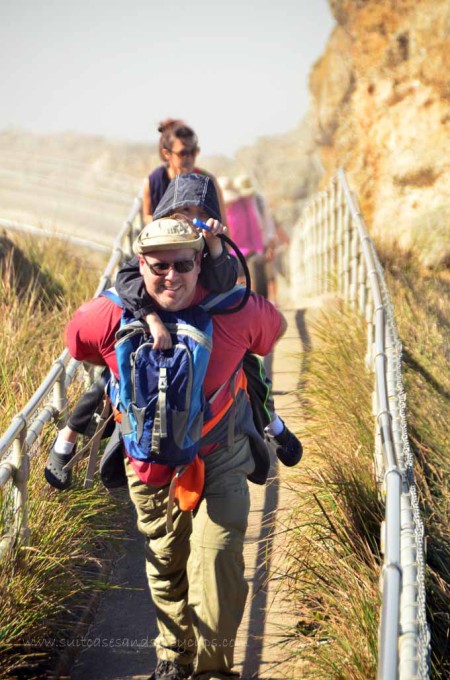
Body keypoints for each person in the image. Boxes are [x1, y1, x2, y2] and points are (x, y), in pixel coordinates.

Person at [64, 216, 289, 680]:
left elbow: (272, 328)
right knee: (165, 558)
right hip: (150, 460)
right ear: (139, 264)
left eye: (183, 264)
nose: (171, 276)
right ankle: (174, 654)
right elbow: (77, 341)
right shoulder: (109, 313)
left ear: (200, 261)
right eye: (158, 266)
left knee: (220, 552)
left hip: (221, 452)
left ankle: (212, 668)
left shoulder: (235, 309)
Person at [44, 174, 237, 490]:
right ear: (168, 213)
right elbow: (127, 280)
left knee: (247, 367)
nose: (192, 220)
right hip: (148, 332)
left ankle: (270, 426)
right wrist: (151, 319)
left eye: (200, 212)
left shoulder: (207, 246)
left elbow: (225, 283)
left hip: (192, 333)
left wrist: (216, 248)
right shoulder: (156, 242)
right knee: (111, 378)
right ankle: (67, 440)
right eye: (184, 211)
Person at [142, 119, 226, 223]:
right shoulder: (153, 182)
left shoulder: (208, 183)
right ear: (166, 154)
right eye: (183, 153)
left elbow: (222, 222)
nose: (189, 158)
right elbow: (147, 216)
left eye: (193, 152)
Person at [217, 176, 268, 298]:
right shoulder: (216, 211)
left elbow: (254, 228)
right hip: (229, 256)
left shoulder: (243, 204)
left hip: (248, 252)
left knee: (255, 285)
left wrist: (259, 249)